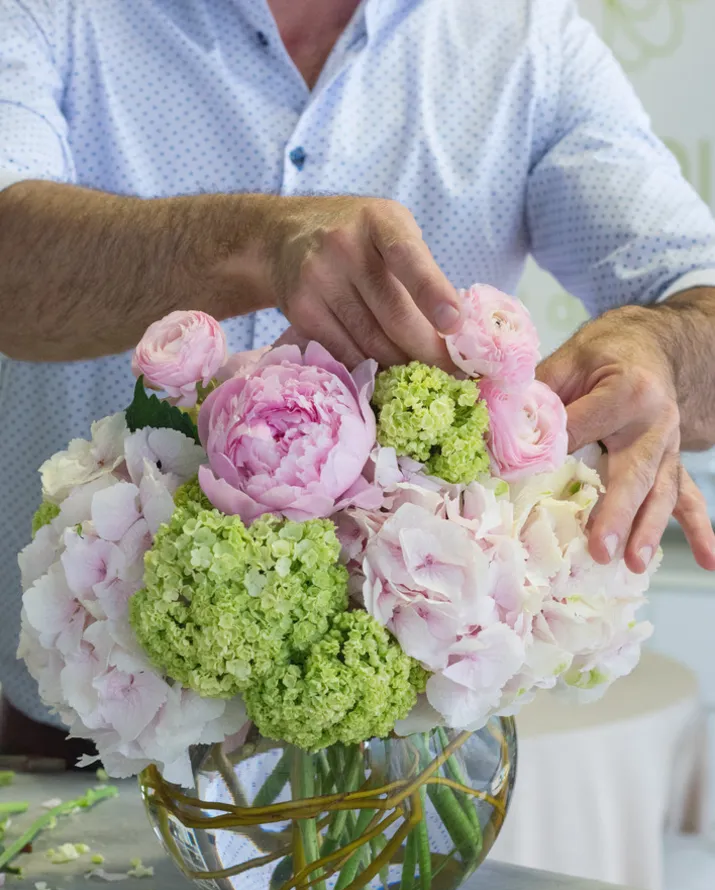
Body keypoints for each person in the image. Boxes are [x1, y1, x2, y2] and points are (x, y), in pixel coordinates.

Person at [2, 0, 715, 763]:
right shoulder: (50, 12)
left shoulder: (526, 42)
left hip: (403, 776)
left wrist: (663, 346)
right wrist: (254, 243)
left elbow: (695, 292)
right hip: (77, 739)